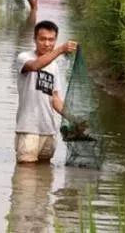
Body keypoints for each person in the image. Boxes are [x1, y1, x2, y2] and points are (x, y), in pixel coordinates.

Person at [14, 20, 78, 164]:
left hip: (48, 130)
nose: (47, 44)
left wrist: (73, 117)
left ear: (55, 40)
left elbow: (54, 98)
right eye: (42, 39)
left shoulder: (54, 66)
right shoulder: (24, 58)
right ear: (35, 39)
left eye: (51, 40)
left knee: (45, 174)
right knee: (26, 174)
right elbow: (36, 65)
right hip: (28, 128)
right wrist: (60, 50)